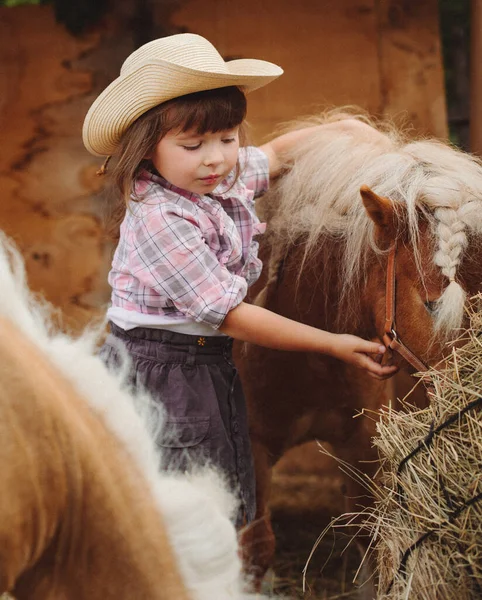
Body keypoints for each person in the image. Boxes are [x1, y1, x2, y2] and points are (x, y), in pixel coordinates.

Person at [82, 33, 397, 526]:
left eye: (228, 138)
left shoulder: (207, 177)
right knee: (191, 488)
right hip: (163, 368)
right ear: (146, 150)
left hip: (203, 360)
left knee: (224, 470)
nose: (216, 158)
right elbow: (230, 314)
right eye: (193, 144)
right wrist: (334, 343)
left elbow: (273, 155)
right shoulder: (161, 218)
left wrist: (342, 129)